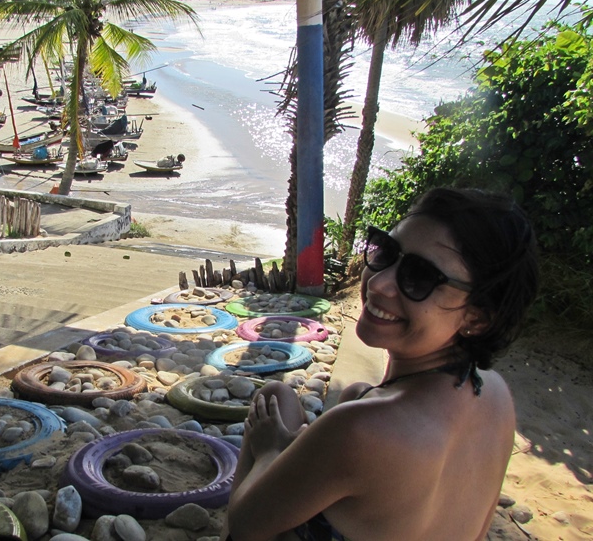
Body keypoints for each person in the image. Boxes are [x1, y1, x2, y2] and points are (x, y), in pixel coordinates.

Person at [222, 188, 538, 541]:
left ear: (477, 318)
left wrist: (270, 452)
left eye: (420, 277)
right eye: (387, 252)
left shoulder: (361, 430)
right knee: (347, 392)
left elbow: (245, 526)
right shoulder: (494, 391)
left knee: (274, 401)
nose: (380, 283)